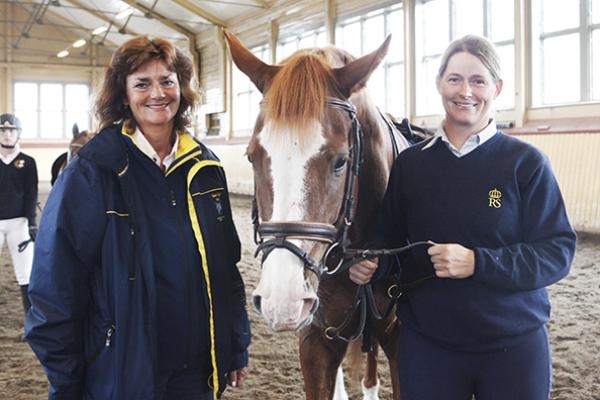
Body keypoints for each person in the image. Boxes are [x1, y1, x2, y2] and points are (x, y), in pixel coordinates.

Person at [349, 35, 576, 400]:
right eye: (454, 79)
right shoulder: (412, 164)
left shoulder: (526, 163)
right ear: (439, 83)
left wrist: (477, 262)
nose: (465, 91)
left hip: (513, 346)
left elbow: (557, 252)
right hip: (428, 346)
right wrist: (372, 261)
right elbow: (389, 237)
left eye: (478, 80)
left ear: (497, 88)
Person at [25, 36, 251, 400]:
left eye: (167, 81)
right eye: (142, 84)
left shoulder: (205, 167)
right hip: (124, 371)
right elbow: (55, 287)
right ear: (124, 94)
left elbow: (226, 267)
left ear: (182, 87)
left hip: (197, 370)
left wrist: (236, 344)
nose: (157, 93)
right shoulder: (93, 171)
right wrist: (66, 382)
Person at [0, 113, 38, 325]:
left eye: (11, 131)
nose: (6, 135)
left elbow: (31, 194)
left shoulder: (28, 162)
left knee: (25, 274)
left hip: (19, 224)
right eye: (3, 131)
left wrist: (32, 223)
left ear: (18, 134)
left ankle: (31, 321)